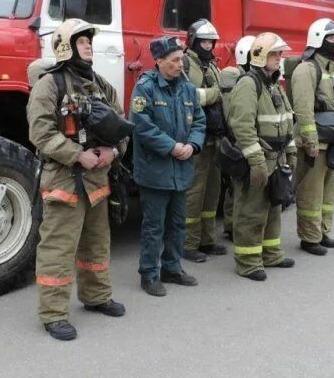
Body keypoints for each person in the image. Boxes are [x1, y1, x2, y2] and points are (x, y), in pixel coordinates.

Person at [27, 19, 128, 341]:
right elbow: (40, 132)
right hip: (65, 179)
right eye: (81, 40)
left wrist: (114, 150)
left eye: (88, 40)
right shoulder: (50, 85)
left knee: (97, 243)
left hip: (98, 176)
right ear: (64, 46)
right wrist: (76, 154)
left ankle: (96, 297)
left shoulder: (100, 84)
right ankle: (53, 314)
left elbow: (121, 124)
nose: (88, 45)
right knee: (58, 247)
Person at [129, 36, 207, 296]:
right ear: (159, 61)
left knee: (177, 224)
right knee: (154, 226)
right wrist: (172, 147)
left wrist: (193, 145)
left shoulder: (187, 88)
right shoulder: (146, 87)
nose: (180, 64)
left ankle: (172, 268)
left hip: (181, 169)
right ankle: (149, 273)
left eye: (181, 59)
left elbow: (199, 120)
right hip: (156, 171)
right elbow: (141, 125)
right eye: (174, 60)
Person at [228, 32, 297, 280]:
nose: (280, 58)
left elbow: (287, 120)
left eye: (280, 54)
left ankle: (271, 255)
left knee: (272, 209)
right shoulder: (249, 84)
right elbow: (243, 127)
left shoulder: (272, 84)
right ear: (261, 57)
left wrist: (290, 152)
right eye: (275, 54)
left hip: (275, 159)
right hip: (257, 161)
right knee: (251, 211)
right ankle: (248, 262)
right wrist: (256, 162)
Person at [291, 18, 334, 255]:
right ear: (317, 39)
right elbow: (304, 109)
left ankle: (322, 231)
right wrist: (311, 142)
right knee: (311, 192)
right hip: (316, 143)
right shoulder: (307, 69)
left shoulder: (332, 68)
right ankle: (309, 238)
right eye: (330, 38)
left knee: (328, 192)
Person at [182, 19, 228, 262]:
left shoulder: (212, 66)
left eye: (211, 41)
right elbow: (188, 96)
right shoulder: (185, 63)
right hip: (195, 138)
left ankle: (207, 240)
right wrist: (215, 95)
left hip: (214, 138)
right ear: (193, 41)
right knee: (194, 192)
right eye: (203, 41)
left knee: (212, 191)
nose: (208, 45)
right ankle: (188, 244)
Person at [219, 35, 255, 241]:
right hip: (237, 138)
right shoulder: (239, 78)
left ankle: (231, 224)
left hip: (233, 137)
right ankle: (233, 225)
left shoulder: (245, 77)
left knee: (234, 184)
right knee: (237, 185)